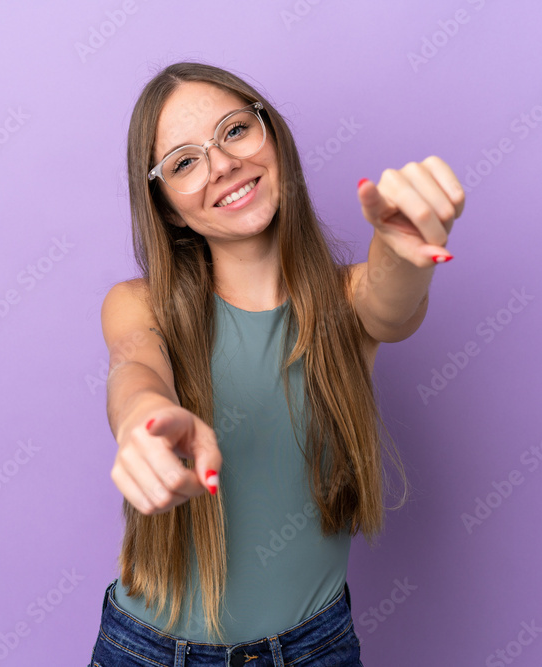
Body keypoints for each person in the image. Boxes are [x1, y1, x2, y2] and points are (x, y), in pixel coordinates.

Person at [89, 60, 464, 666]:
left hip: (316, 649)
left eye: (235, 130)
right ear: (169, 210)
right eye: (184, 162)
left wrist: (402, 249)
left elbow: (392, 303)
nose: (221, 164)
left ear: (273, 136)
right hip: (148, 653)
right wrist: (143, 420)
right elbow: (135, 367)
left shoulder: (347, 301)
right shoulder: (138, 303)